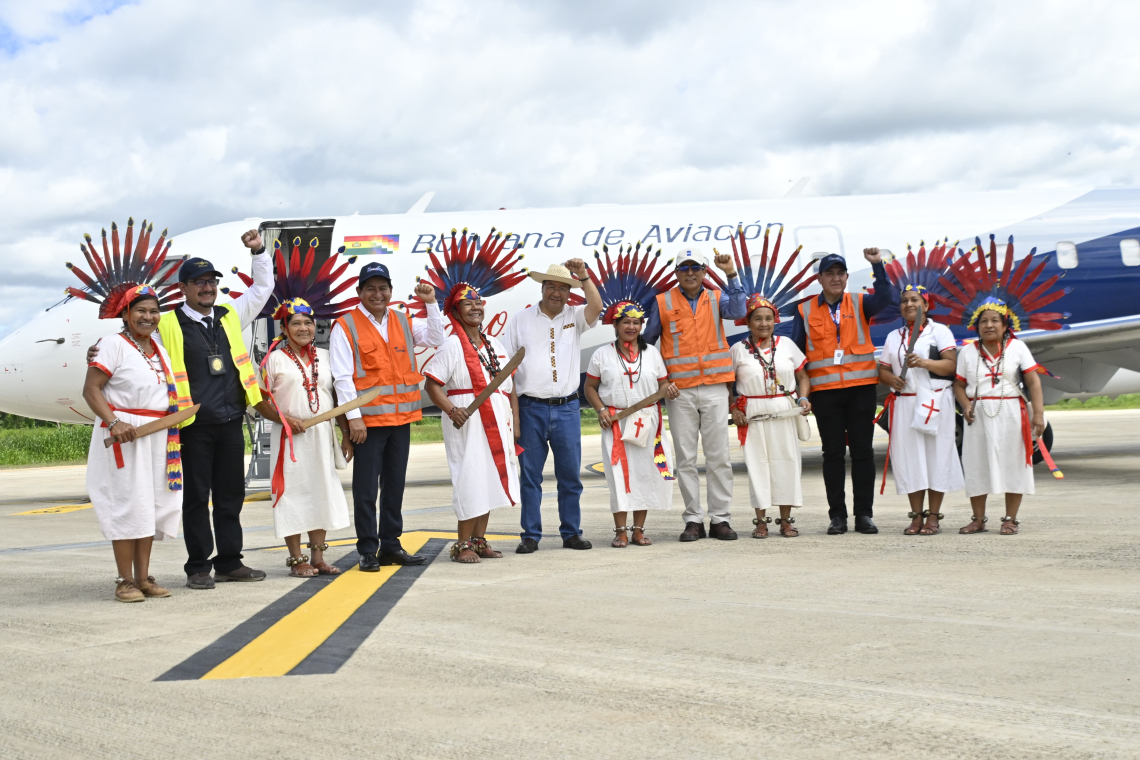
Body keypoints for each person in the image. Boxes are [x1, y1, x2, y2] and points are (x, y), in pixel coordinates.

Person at [88, 226, 274, 589]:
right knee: (195, 498)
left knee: (231, 495)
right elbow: (130, 342)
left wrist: (258, 253)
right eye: (199, 282)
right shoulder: (165, 323)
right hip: (191, 425)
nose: (208, 288)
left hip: (231, 418)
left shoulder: (230, 314)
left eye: (211, 282)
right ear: (184, 288)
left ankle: (230, 561)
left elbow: (261, 290)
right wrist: (95, 352)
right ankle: (199, 567)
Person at [939, 236, 1067, 535]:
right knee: (976, 466)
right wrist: (966, 404)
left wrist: (1038, 415)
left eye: (995, 320)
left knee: (1014, 466)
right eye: (984, 321)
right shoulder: (967, 351)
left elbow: (1033, 382)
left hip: (1012, 413)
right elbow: (958, 384)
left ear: (1005, 324)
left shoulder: (1018, 349)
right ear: (976, 325)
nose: (989, 325)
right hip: (978, 414)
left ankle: (1010, 519)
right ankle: (978, 519)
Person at [421, 228, 528, 563]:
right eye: (467, 304)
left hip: (498, 418)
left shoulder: (494, 344)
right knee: (470, 479)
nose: (475, 308)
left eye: (478, 302)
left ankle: (480, 540)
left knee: (491, 478)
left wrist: (516, 425)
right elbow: (432, 385)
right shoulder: (452, 345)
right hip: (467, 419)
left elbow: (508, 387)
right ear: (455, 311)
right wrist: (452, 410)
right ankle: (463, 544)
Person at [330, 260, 445, 570]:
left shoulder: (404, 321)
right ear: (359, 292)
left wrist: (431, 303)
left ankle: (391, 545)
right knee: (366, 489)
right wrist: (353, 418)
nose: (377, 294)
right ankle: (368, 549)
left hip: (401, 420)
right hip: (368, 422)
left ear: (391, 291)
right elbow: (342, 376)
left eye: (383, 288)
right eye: (371, 289)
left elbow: (437, 338)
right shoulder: (346, 325)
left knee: (394, 486)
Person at [82, 286, 183, 602]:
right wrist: (115, 422)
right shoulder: (112, 344)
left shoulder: (160, 349)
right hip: (122, 436)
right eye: (141, 311)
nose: (149, 317)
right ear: (126, 314)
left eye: (154, 311)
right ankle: (124, 580)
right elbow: (91, 389)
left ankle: (143, 578)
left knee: (149, 504)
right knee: (126, 503)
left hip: (155, 436)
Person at [642, 246, 746, 541]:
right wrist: (660, 382)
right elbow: (649, 344)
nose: (690, 273)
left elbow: (739, 311)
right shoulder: (662, 302)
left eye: (696, 268)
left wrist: (730, 274)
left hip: (714, 387)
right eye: (684, 268)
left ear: (704, 271)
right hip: (679, 392)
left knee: (719, 457)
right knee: (685, 459)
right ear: (676, 273)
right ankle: (693, 520)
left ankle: (720, 519)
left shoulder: (716, 297)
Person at [582, 244, 679, 547]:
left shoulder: (652, 354)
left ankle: (639, 530)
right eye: (626, 322)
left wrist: (670, 391)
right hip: (616, 421)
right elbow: (589, 388)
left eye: (636, 322)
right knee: (618, 476)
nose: (632, 327)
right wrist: (600, 410)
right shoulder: (601, 355)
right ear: (616, 325)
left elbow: (664, 385)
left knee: (646, 474)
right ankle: (620, 531)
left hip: (648, 421)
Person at [503, 260, 603, 553]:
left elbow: (596, 305)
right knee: (530, 476)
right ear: (542, 288)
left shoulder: (575, 315)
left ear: (570, 292)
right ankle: (530, 535)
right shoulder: (520, 320)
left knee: (570, 476)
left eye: (563, 288)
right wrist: (515, 417)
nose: (557, 293)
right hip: (530, 407)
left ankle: (571, 533)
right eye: (552, 287)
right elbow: (507, 370)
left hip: (567, 409)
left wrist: (583, 276)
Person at [790, 247, 892, 535]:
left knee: (862, 453)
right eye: (829, 274)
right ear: (820, 278)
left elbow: (886, 298)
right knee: (832, 454)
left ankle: (864, 515)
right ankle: (837, 516)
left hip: (860, 389)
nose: (835, 278)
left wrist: (877, 265)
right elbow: (797, 354)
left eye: (840, 274)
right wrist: (801, 392)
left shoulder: (861, 302)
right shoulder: (805, 309)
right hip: (825, 393)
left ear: (847, 277)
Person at [875, 242, 963, 536]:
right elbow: (883, 370)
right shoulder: (893, 336)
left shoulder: (940, 331)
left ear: (926, 305)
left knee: (937, 456)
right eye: (905, 301)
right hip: (906, 402)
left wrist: (924, 362)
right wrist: (892, 380)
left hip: (936, 402)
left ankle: (934, 516)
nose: (909, 305)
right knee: (910, 458)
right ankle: (915, 516)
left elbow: (951, 366)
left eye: (915, 300)